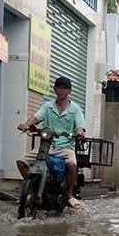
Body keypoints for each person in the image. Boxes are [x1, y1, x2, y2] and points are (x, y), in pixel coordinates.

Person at [17, 76, 86, 210]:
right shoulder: (47, 106)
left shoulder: (75, 109)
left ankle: (69, 195)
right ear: (55, 89)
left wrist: (80, 132)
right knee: (21, 162)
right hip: (47, 146)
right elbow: (36, 117)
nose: (61, 90)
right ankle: (32, 189)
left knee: (72, 165)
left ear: (69, 91)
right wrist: (26, 125)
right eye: (59, 87)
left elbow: (80, 125)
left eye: (65, 88)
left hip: (66, 147)